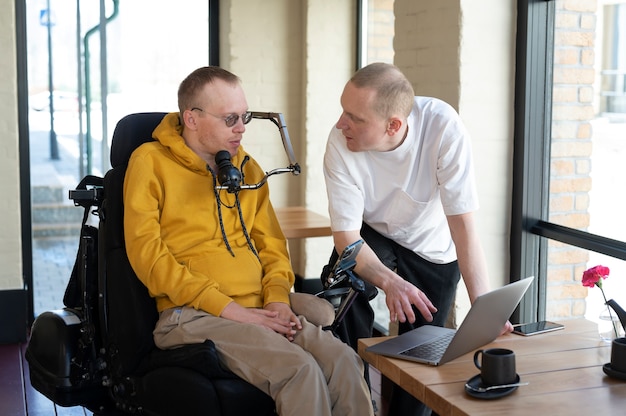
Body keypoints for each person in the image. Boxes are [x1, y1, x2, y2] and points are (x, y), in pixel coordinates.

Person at [123, 66, 374, 416]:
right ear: (191, 119)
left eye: (245, 117)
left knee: (345, 362)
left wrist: (276, 301)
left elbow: (272, 246)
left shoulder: (247, 170)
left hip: (261, 307)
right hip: (192, 314)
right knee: (299, 371)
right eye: (230, 119)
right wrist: (236, 313)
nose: (241, 128)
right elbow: (149, 259)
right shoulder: (149, 163)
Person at [323, 62, 513, 416]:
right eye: (342, 111)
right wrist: (391, 282)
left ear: (393, 125)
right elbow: (346, 239)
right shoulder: (340, 142)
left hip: (434, 248)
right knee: (344, 290)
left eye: (354, 117)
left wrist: (484, 311)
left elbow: (464, 228)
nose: (340, 123)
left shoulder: (443, 126)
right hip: (373, 235)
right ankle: (353, 399)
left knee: (424, 355)